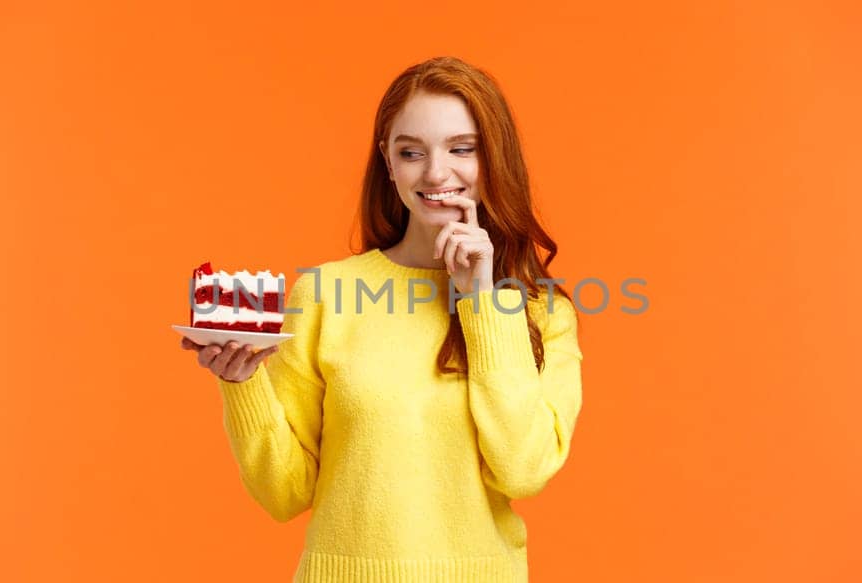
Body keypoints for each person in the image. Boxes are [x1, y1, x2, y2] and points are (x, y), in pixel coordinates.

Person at [180, 56, 584, 582]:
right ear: (389, 164)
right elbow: (285, 493)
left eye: (461, 149)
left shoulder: (540, 311)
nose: (436, 173)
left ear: (494, 158)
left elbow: (523, 469)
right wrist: (243, 383)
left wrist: (483, 302)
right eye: (411, 152)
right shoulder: (326, 293)